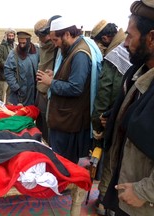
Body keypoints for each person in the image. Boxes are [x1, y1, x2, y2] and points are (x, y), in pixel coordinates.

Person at [102, 1, 154, 215]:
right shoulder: (139, 72)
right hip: (127, 193)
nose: (124, 44)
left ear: (151, 38)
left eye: (130, 36)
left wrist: (145, 192)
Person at [36, 17, 103, 164]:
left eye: (55, 40)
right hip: (66, 120)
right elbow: (73, 78)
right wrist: (57, 76)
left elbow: (76, 88)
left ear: (66, 34)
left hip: (69, 122)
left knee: (64, 163)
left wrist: (50, 83)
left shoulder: (80, 54)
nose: (55, 45)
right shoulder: (74, 49)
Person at [90, 20, 132, 215]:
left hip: (116, 118)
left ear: (105, 39)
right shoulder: (133, 50)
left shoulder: (116, 55)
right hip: (133, 116)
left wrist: (98, 123)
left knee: (111, 159)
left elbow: (105, 92)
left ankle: (104, 201)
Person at [33, 17, 60, 143]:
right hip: (41, 89)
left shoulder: (54, 45)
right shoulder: (44, 46)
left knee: (47, 123)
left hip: (49, 89)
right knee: (40, 121)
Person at [4, 31, 40, 106]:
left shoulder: (36, 51)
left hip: (34, 92)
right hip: (20, 94)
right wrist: (16, 87)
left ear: (29, 41)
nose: (22, 46)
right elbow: (8, 71)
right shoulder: (14, 54)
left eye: (24, 43)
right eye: (20, 43)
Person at [0, 28, 17, 104]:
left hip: (12, 77)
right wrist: (9, 65)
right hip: (3, 76)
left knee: (10, 98)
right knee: (1, 97)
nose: (11, 37)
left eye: (12, 36)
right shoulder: (1, 47)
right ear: (6, 36)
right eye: (9, 36)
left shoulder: (15, 46)